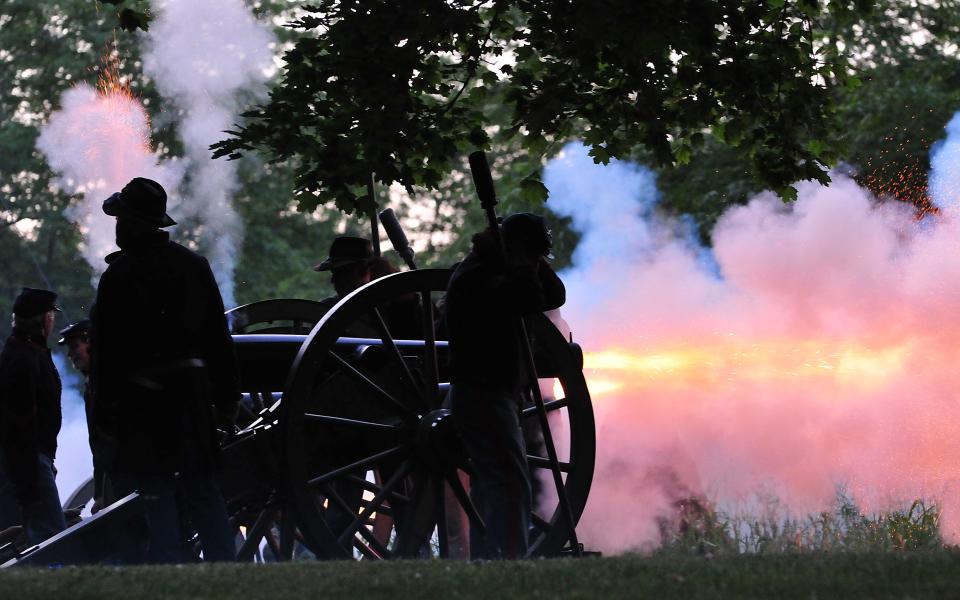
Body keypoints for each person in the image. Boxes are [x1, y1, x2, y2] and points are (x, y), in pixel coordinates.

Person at [90, 177, 240, 563]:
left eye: (122, 219)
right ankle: (225, 567)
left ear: (136, 223)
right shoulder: (194, 266)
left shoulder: (117, 277)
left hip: (144, 406)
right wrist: (226, 400)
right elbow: (217, 340)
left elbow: (105, 356)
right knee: (204, 495)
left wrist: (106, 413)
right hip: (190, 401)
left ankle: (169, 570)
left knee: (158, 499)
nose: (118, 228)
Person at [444, 212, 565, 559]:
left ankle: (489, 559)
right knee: (511, 483)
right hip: (483, 390)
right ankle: (511, 562)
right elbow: (528, 297)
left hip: (494, 391)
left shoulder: (491, 270)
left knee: (490, 484)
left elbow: (555, 294)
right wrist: (523, 264)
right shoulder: (479, 277)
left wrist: (526, 258)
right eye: (533, 253)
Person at [0, 288, 67, 544]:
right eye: (51, 315)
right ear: (44, 320)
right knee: (53, 536)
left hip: (34, 458)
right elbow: (20, 424)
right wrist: (32, 475)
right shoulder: (22, 358)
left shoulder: (25, 352)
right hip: (29, 459)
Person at [58, 320, 113, 513]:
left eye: (74, 346)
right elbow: (97, 445)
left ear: (89, 342)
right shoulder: (92, 387)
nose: (70, 354)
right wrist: (99, 493)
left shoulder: (108, 380)